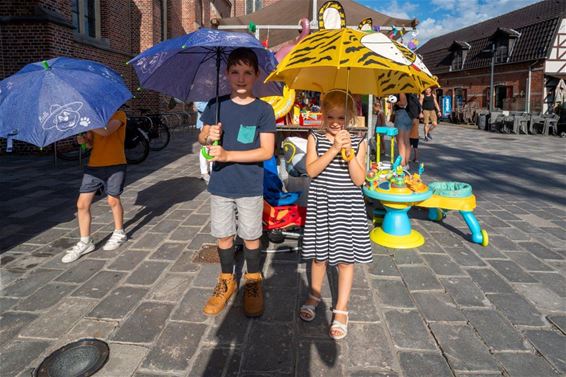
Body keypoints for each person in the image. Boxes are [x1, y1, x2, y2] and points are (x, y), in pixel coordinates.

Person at [198, 47, 276, 317]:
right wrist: (208, 135)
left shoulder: (263, 110)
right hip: (221, 184)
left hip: (249, 186)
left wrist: (229, 153)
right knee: (223, 234)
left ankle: (253, 279)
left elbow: (266, 151)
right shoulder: (215, 105)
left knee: (252, 235)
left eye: (247, 73)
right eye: (235, 72)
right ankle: (226, 280)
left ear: (255, 75)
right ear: (227, 74)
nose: (240, 78)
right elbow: (202, 139)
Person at [299, 90, 372, 340]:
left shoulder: (360, 140)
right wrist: (332, 150)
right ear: (322, 114)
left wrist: (350, 153)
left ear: (350, 116)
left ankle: (341, 308)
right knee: (319, 255)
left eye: (341, 117)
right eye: (330, 116)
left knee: (345, 259)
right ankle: (314, 293)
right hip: (322, 203)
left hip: (347, 206)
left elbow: (359, 179)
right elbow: (311, 171)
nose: (335, 122)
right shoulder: (315, 137)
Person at [61, 110, 128, 263]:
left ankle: (119, 232)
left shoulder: (119, 114)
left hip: (115, 164)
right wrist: (83, 141)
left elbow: (106, 132)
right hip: (94, 166)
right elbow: (91, 145)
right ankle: (85, 242)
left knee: (113, 200)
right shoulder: (93, 118)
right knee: (82, 204)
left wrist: (87, 122)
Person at [392, 93, 412, 169]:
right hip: (409, 115)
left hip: (401, 115)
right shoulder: (409, 90)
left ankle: (402, 164)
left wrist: (394, 102)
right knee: (406, 141)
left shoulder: (401, 90)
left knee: (400, 141)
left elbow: (403, 103)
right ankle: (406, 163)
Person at [195, 101, 211, 183]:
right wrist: (214, 105)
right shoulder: (201, 92)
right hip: (204, 124)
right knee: (205, 147)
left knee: (214, 147)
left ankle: (213, 171)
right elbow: (198, 106)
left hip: (215, 123)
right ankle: (204, 172)